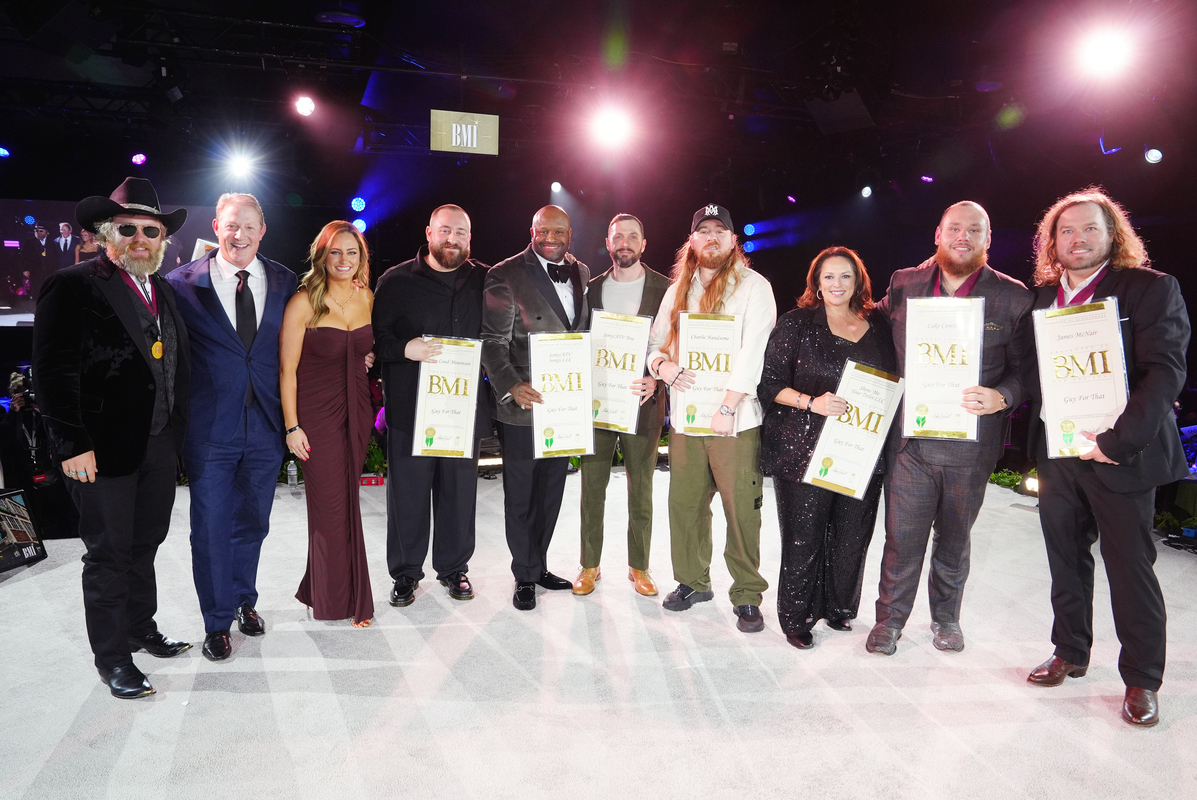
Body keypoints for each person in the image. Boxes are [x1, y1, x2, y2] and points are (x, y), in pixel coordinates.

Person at [1024, 188, 1189, 728]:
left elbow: (1165, 372)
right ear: (1052, 242)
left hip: (1120, 455)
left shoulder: (1150, 288)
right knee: (1065, 559)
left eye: (1090, 228)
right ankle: (1070, 651)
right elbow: (1030, 373)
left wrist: (1116, 442)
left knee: (1130, 567)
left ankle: (1142, 678)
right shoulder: (1041, 300)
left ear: (1113, 235)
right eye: (1066, 230)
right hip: (1059, 452)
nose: (1078, 239)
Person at [31, 177, 191, 698]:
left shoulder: (164, 290)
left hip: (158, 443)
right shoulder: (72, 285)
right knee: (108, 554)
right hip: (97, 451)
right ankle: (113, 659)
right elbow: (52, 373)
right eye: (128, 229)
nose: (140, 238)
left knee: (146, 544)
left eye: (151, 230)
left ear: (162, 239)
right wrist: (71, 444)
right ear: (106, 233)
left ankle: (141, 629)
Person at [866, 201, 1034, 656]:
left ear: (988, 239)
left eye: (974, 230)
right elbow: (867, 326)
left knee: (955, 541)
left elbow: (1026, 370)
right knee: (902, 539)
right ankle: (889, 621)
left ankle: (946, 619)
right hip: (911, 443)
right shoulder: (905, 284)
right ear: (937, 235)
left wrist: (1004, 396)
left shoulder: (1014, 297)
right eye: (954, 228)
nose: (964, 236)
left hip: (971, 446)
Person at [166, 193, 298, 661]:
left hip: (265, 424)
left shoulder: (285, 280)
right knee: (209, 527)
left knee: (254, 522)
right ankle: (217, 621)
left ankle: (245, 600)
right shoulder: (180, 283)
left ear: (262, 231)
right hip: (209, 430)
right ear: (216, 228)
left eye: (248, 226)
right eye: (230, 225)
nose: (239, 235)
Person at [647, 204, 777, 633]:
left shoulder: (755, 287)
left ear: (733, 240)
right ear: (692, 241)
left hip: (734, 422)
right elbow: (655, 345)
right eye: (703, 231)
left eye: (720, 230)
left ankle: (747, 593)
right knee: (685, 506)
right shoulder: (677, 290)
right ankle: (693, 581)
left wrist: (727, 407)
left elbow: (754, 351)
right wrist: (662, 367)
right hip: (687, 422)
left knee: (742, 511)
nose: (711, 237)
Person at [758, 247, 896, 649]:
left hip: (862, 449)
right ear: (816, 283)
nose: (837, 284)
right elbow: (769, 383)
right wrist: (811, 403)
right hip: (804, 449)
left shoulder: (879, 325)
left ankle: (838, 607)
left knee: (852, 535)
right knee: (804, 536)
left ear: (858, 282)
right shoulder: (797, 323)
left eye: (845, 276)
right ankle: (796, 617)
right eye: (829, 276)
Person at [373, 204, 489, 607]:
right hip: (411, 410)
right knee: (407, 496)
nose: (451, 239)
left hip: (463, 409)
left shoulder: (485, 280)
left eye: (460, 232)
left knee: (459, 495)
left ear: (469, 238)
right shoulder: (395, 281)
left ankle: (454, 569)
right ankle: (405, 573)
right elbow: (378, 340)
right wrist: (406, 348)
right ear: (428, 233)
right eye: (444, 231)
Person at [481, 205, 590, 611]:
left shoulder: (581, 272)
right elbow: (492, 341)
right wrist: (511, 385)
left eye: (559, 231)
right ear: (532, 232)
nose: (551, 238)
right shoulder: (505, 273)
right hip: (523, 405)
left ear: (570, 234)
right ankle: (524, 574)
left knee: (551, 492)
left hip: (564, 404)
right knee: (521, 494)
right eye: (543, 231)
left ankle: (538, 563)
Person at [280, 221, 376, 626]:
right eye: (335, 252)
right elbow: (287, 370)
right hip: (317, 415)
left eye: (351, 252)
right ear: (322, 256)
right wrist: (292, 427)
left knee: (348, 503)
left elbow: (366, 348)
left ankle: (322, 588)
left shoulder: (366, 296)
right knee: (329, 508)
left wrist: (364, 356)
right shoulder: (303, 302)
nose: (343, 260)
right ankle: (337, 599)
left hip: (357, 410)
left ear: (361, 258)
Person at [574, 213, 666, 598]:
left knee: (641, 488)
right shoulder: (591, 289)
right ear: (608, 244)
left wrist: (658, 378)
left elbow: (677, 342)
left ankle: (639, 566)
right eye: (618, 237)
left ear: (643, 244)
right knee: (591, 487)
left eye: (632, 236)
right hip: (599, 403)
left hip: (643, 401)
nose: (624, 242)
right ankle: (589, 565)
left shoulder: (666, 289)